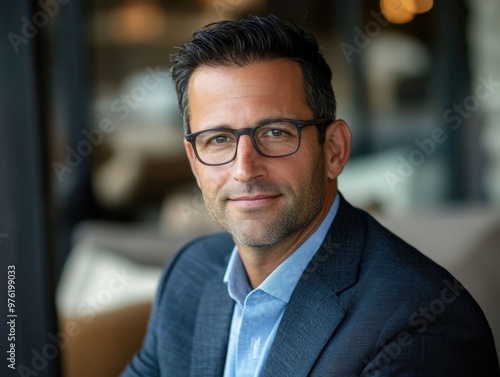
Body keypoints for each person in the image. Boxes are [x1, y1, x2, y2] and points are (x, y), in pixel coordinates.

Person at [121, 15, 499, 376]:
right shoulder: (189, 275)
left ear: (333, 149)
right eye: (218, 140)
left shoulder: (420, 324)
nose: (244, 169)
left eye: (275, 133)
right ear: (194, 161)